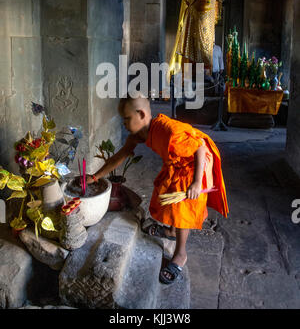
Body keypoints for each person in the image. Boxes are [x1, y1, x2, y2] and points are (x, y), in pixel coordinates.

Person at [86, 95, 229, 285]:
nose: (124, 123)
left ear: (142, 114)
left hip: (196, 165)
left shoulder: (167, 131)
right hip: (178, 162)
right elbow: (119, 156)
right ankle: (170, 231)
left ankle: (180, 253)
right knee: (164, 193)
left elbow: (199, 148)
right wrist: (94, 176)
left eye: (127, 118)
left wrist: (195, 183)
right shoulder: (137, 135)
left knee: (181, 208)